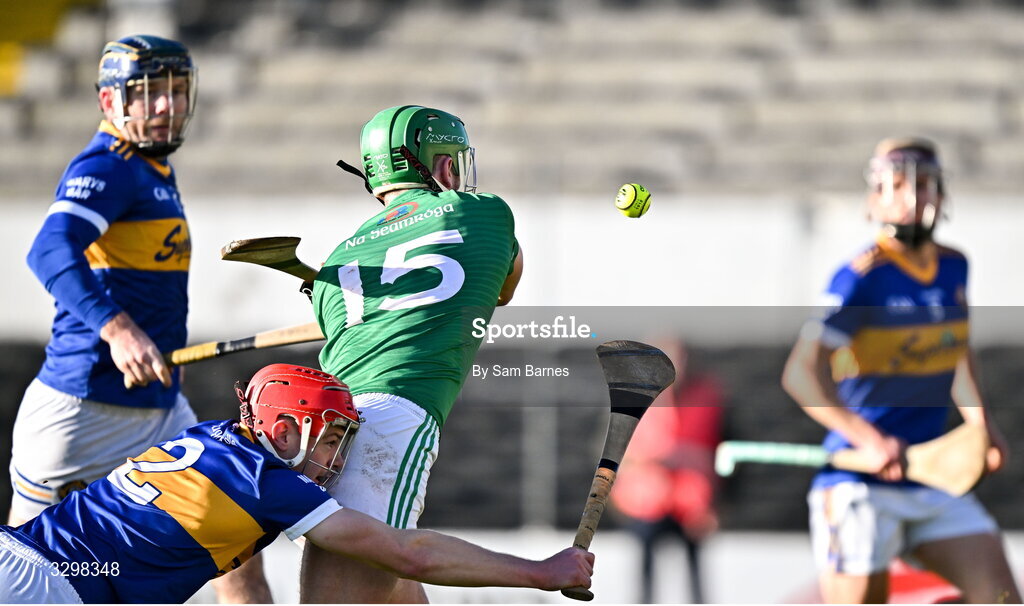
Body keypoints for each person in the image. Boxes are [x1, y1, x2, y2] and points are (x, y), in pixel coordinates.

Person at [10, 35, 271, 602]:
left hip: (159, 408)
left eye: (177, 92)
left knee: (237, 542)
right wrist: (118, 328)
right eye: (150, 94)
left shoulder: (155, 169)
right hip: (80, 411)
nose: (167, 106)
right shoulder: (109, 167)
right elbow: (50, 249)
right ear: (110, 104)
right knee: (25, 579)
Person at [0, 364, 593, 603]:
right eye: (332, 438)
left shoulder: (212, 438)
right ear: (283, 430)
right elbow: (408, 554)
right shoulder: (268, 485)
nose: (338, 460)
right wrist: (540, 573)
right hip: (50, 589)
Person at [781, 137, 1020, 604]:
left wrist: (980, 426)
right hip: (861, 483)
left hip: (933, 478)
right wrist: (870, 441)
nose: (913, 198)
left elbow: (957, 351)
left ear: (942, 194)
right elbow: (800, 374)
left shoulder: (954, 266)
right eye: (897, 185)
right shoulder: (861, 277)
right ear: (875, 199)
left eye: (925, 185)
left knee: (1002, 600)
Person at [301, 105, 524, 602]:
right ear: (442, 166)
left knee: (393, 582)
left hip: (320, 425)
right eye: (454, 162)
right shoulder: (483, 211)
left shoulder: (338, 256)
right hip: (391, 421)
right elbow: (504, 286)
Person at [610, 339, 724, 604]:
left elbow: (724, 450)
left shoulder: (709, 397)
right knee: (645, 573)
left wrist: (719, 504)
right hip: (646, 501)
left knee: (695, 576)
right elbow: (612, 452)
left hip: (694, 503)